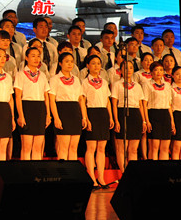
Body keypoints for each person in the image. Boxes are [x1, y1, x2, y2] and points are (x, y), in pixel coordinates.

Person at [81, 54, 113, 188]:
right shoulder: (84, 82)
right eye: (93, 63)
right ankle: (92, 179)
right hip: (91, 113)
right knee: (91, 147)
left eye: (98, 63)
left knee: (101, 148)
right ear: (88, 66)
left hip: (103, 114)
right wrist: (85, 118)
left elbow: (107, 101)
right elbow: (82, 101)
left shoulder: (104, 82)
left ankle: (101, 178)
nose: (96, 66)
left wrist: (110, 117)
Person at [49, 53, 87, 162]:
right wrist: (56, 118)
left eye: (71, 61)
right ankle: (63, 170)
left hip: (75, 112)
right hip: (62, 111)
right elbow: (52, 100)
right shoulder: (55, 79)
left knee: (74, 148)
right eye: (67, 61)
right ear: (60, 63)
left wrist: (84, 117)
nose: (70, 64)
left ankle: (73, 171)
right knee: (63, 147)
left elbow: (81, 99)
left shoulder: (76, 79)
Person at [14, 46, 51, 160]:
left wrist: (48, 114)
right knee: (26, 147)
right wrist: (20, 115)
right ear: (26, 58)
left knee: (38, 147)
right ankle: (26, 171)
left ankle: (36, 170)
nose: (36, 59)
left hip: (40, 109)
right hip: (27, 108)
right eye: (33, 56)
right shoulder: (21, 74)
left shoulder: (42, 75)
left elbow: (46, 96)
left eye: (38, 56)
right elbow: (18, 96)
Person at [111, 60, 147, 172]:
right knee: (122, 148)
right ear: (121, 70)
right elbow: (114, 104)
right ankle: (124, 173)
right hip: (122, 113)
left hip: (135, 115)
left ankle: (132, 173)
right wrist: (116, 120)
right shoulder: (117, 84)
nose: (129, 70)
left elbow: (140, 104)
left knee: (133, 149)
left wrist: (143, 121)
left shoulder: (137, 86)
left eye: (131, 67)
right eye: (126, 68)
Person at [143, 61, 174, 160]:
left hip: (165, 115)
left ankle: (163, 168)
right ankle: (154, 168)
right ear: (151, 72)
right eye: (156, 70)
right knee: (154, 147)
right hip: (153, 114)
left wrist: (172, 120)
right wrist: (146, 121)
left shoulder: (167, 85)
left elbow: (169, 104)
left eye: (161, 70)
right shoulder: (147, 84)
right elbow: (144, 104)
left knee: (165, 147)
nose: (159, 72)